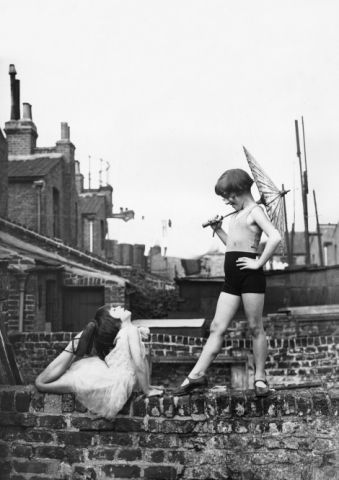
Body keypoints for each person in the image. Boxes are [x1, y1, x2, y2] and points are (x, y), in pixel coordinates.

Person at [173, 168, 281, 397]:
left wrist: (258, 263)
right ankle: (196, 376)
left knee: (255, 327)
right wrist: (218, 229)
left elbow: (275, 236)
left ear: (240, 190)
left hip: (251, 277)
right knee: (216, 327)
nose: (227, 201)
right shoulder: (236, 216)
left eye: (229, 196)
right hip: (231, 279)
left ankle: (260, 378)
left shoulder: (255, 210)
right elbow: (232, 244)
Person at [35, 304, 163, 419]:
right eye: (114, 309)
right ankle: (73, 348)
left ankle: (71, 349)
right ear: (113, 321)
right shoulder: (130, 330)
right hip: (115, 378)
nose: (119, 307)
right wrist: (147, 390)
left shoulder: (129, 330)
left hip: (117, 378)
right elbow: (139, 363)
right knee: (43, 384)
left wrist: (148, 386)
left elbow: (141, 361)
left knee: (45, 383)